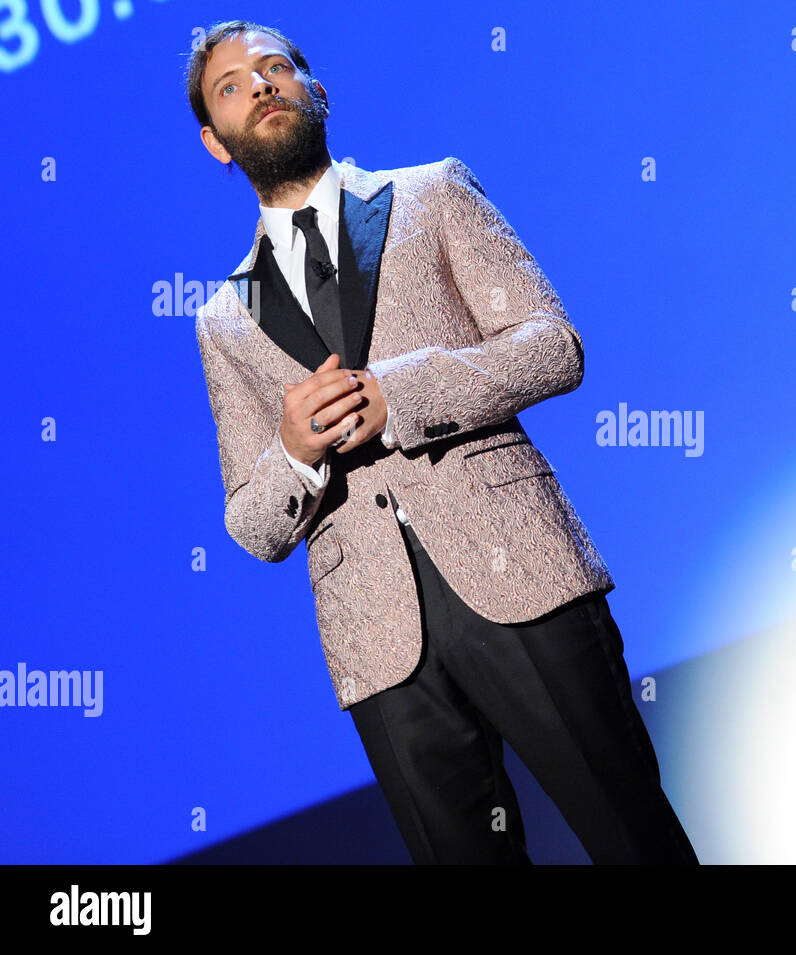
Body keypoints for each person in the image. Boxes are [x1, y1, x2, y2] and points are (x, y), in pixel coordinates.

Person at [186, 19, 698, 865]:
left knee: (629, 829)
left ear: (319, 90)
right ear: (216, 142)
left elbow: (551, 345)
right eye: (233, 85)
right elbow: (252, 523)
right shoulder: (222, 321)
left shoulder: (432, 193)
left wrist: (404, 394)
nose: (262, 86)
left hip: (520, 574)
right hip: (376, 641)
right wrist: (294, 453)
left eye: (277, 66)